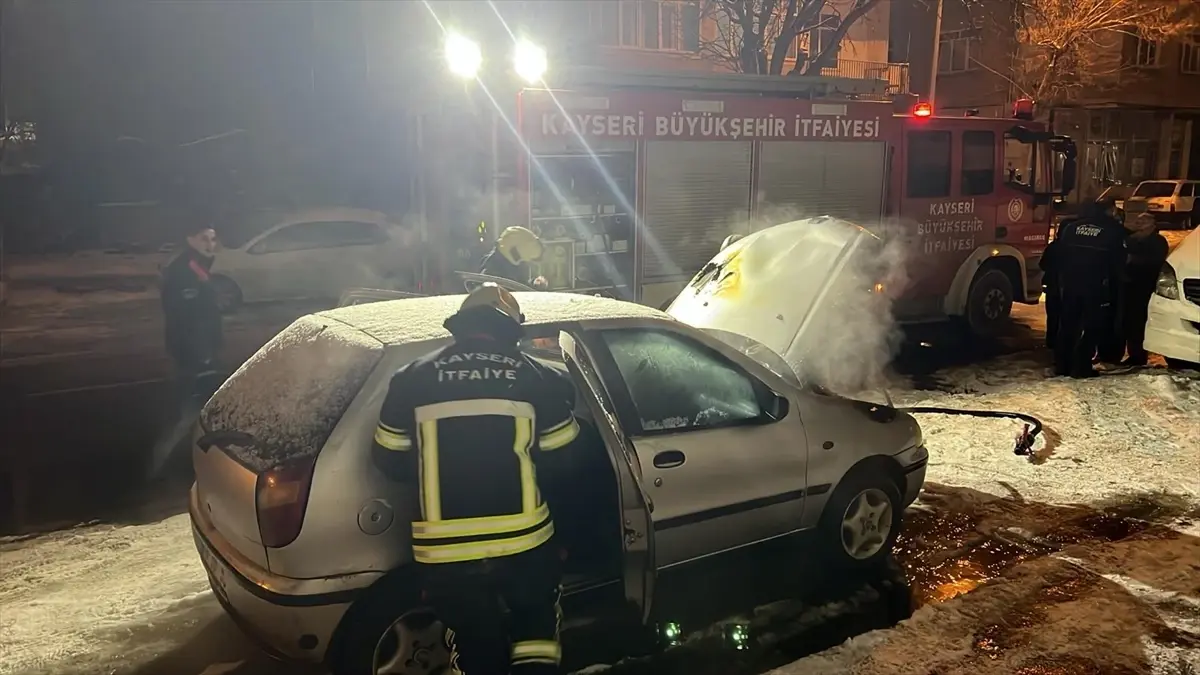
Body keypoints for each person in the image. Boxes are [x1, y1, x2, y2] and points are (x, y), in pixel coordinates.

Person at [372, 283, 581, 674]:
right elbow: (566, 463)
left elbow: (387, 460)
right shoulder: (542, 380)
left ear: (462, 326)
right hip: (525, 545)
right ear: (512, 329)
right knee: (534, 632)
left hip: (445, 555)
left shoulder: (411, 378)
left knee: (475, 644)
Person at [149, 222, 224, 478]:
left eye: (213, 239)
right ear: (190, 239)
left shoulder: (195, 266)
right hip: (195, 355)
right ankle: (157, 469)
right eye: (204, 238)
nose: (210, 244)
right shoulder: (185, 271)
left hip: (197, 352)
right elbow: (188, 320)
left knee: (198, 411)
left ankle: (187, 464)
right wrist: (202, 355)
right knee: (188, 414)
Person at [1051, 199, 1127, 378]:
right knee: (1092, 327)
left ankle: (1062, 364)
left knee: (1068, 324)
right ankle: (1081, 367)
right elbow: (1119, 262)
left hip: (1070, 283)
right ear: (1109, 211)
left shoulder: (1072, 228)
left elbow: (1060, 254)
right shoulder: (1112, 231)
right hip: (1097, 286)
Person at [1116, 213, 1169, 366]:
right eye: (1138, 220)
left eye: (1143, 221)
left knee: (1139, 322)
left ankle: (1138, 356)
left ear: (1153, 224)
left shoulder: (1158, 241)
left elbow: (1155, 261)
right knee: (1128, 321)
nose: (1139, 223)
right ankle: (1132, 353)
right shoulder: (1130, 238)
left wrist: (1133, 259)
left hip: (1146, 286)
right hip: (1129, 285)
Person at [480, 226, 548, 289]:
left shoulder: (513, 266)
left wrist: (535, 285)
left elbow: (520, 286)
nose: (525, 260)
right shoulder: (492, 271)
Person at [1039, 232, 1062, 350]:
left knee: (1052, 316)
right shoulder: (1073, 248)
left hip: (1052, 286)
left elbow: (1042, 264)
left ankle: (1051, 342)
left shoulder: (1053, 246)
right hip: (1066, 287)